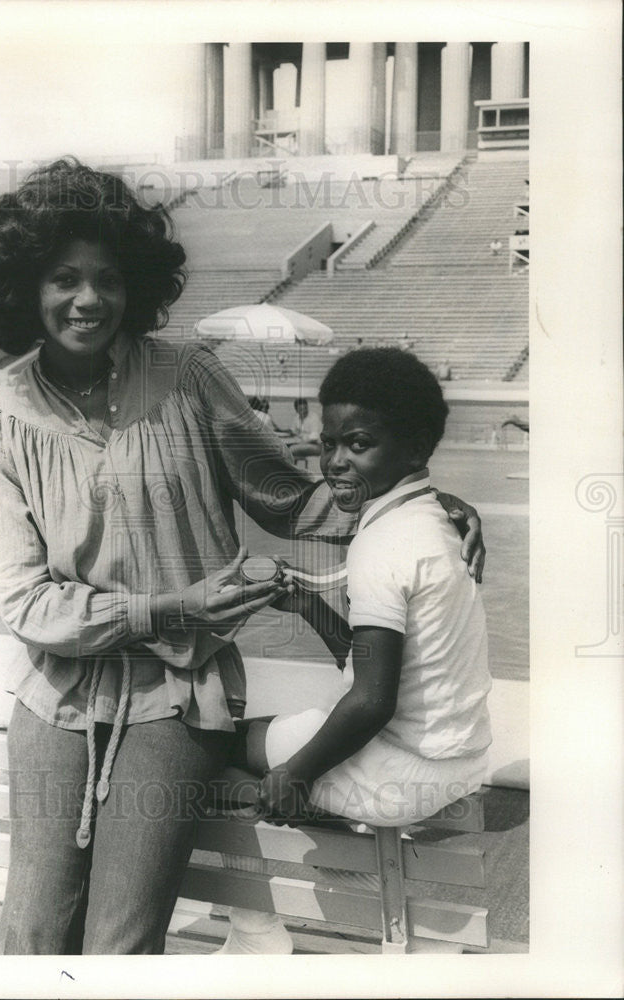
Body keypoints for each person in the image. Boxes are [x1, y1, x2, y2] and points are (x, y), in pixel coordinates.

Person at [0, 158, 485, 956]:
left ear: (134, 282)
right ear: (25, 287)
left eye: (107, 278)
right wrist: (173, 608)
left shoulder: (187, 375)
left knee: (121, 941)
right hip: (55, 703)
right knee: (30, 933)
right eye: (63, 279)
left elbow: (284, 494)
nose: (89, 300)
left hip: (179, 697)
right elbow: (29, 605)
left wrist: (413, 500)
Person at [216, 348, 491, 954]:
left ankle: (256, 935)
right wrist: (310, 606)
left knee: (208, 752)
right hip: (457, 763)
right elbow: (374, 666)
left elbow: (370, 701)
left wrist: (296, 774)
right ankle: (391, 905)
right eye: (328, 442)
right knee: (282, 743)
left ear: (415, 449)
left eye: (357, 445)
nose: (334, 462)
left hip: (401, 775)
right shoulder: (435, 522)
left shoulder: (384, 541)